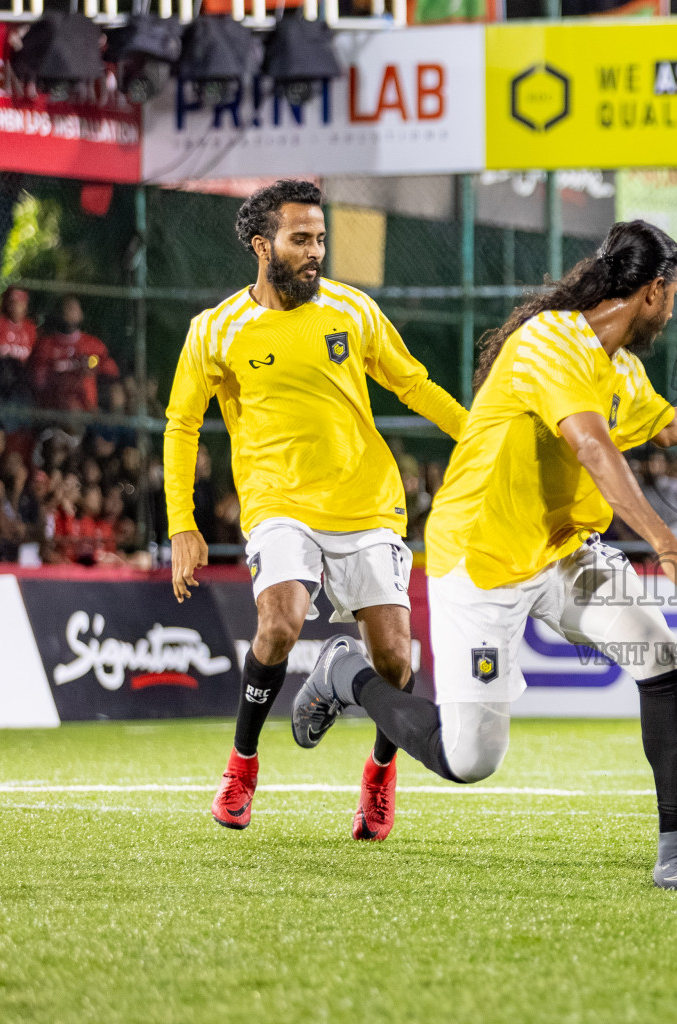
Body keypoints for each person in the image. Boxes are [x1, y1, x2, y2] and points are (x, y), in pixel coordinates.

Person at [290, 221, 677, 891]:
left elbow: (665, 427)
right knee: (469, 760)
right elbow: (593, 447)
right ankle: (348, 676)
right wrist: (666, 544)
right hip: (481, 558)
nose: (673, 307)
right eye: (675, 294)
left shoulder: (618, 367)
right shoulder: (549, 343)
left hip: (564, 550)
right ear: (653, 291)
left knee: (657, 654)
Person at [164, 179, 467, 840]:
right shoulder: (215, 330)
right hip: (279, 503)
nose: (315, 252)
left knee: (393, 659)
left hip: (367, 503)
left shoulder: (352, 311)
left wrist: (476, 436)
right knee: (279, 624)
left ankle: (380, 775)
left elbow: (412, 383)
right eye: (301, 239)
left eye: (320, 239)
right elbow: (181, 426)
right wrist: (182, 525)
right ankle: (242, 767)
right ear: (261, 244)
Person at [30, 296, 120, 411]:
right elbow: (38, 380)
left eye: (73, 308)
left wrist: (94, 366)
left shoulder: (93, 344)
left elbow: (112, 373)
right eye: (66, 308)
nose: (69, 312)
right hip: (54, 411)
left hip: (86, 410)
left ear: (81, 314)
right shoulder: (46, 345)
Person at [0, 286, 36, 402]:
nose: (16, 306)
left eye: (20, 303)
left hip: (20, 382)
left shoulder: (30, 328)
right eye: (13, 303)